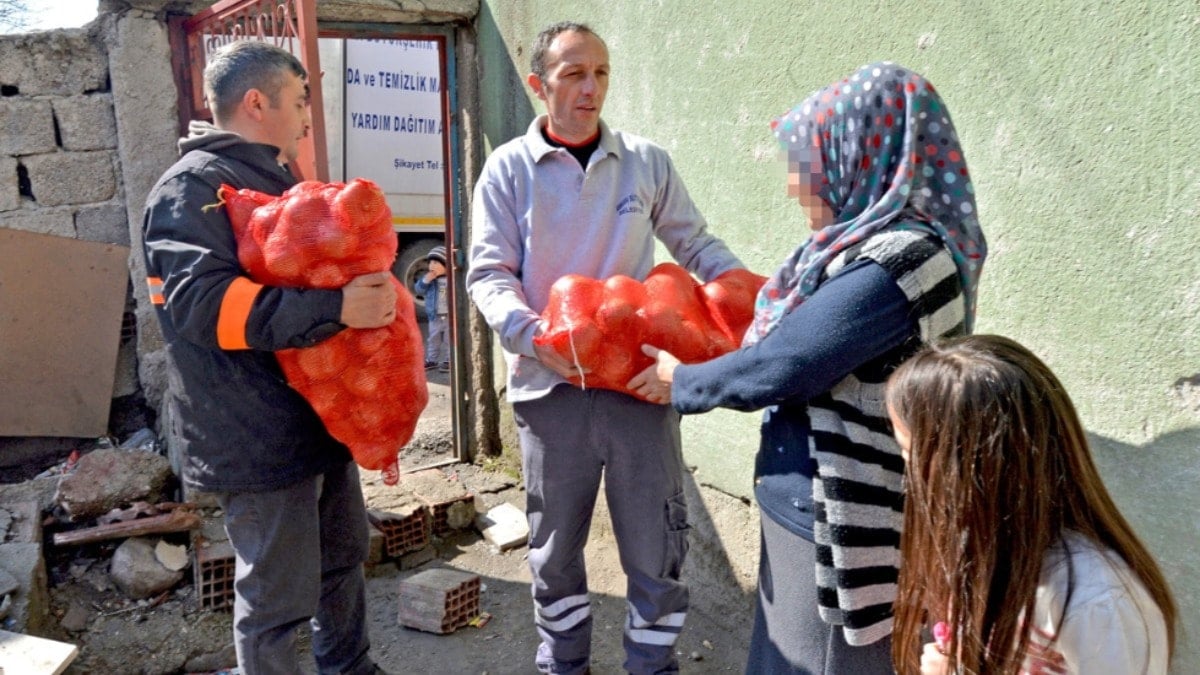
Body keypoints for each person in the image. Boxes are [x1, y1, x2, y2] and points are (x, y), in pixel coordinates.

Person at [629, 61, 987, 673]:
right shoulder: (875, 248)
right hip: (816, 507)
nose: (796, 186)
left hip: (839, 516)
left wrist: (681, 381)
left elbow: (790, 361)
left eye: (809, 166)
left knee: (810, 661)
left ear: (862, 155)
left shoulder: (904, 260)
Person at [466, 21, 745, 675]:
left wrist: (749, 296)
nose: (592, 88)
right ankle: (564, 662)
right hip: (549, 388)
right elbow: (487, 272)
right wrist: (530, 334)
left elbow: (696, 244)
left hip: (638, 390)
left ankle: (652, 664)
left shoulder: (646, 162)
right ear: (539, 85)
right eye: (573, 74)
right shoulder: (508, 170)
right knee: (555, 549)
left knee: (655, 546)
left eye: (601, 73)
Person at [141, 41, 394, 675]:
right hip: (252, 431)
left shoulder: (275, 179)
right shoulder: (188, 191)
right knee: (277, 597)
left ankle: (350, 668)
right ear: (257, 102)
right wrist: (337, 310)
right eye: (301, 98)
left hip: (311, 419)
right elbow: (201, 305)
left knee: (341, 559)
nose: (311, 114)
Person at [885, 334, 1177, 674]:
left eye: (909, 452)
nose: (907, 473)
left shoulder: (1095, 599)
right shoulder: (981, 550)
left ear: (969, 467)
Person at [414, 244, 451, 372]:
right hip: (434, 316)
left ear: (446, 265)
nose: (432, 266)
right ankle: (432, 360)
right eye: (430, 262)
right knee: (433, 339)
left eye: (436, 262)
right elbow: (418, 290)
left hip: (449, 316)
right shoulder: (429, 280)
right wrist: (425, 281)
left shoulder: (452, 279)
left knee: (449, 339)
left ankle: (449, 360)